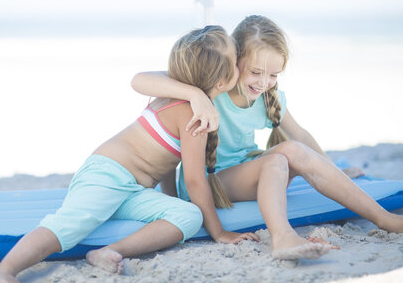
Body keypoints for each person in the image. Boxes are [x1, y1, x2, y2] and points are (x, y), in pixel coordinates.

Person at [0, 25, 259, 283]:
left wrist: (170, 199)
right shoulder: (192, 111)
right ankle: (2, 271)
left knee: (187, 215)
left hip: (133, 191)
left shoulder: (185, 97)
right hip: (107, 174)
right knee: (69, 227)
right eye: (236, 62)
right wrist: (220, 232)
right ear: (222, 83)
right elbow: (196, 181)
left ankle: (108, 251)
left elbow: (166, 163)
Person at [130, 15, 403, 260]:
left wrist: (332, 169)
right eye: (255, 72)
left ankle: (383, 218)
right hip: (209, 183)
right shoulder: (215, 86)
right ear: (234, 62)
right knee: (276, 161)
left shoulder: (269, 99)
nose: (263, 83)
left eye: (273, 74)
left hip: (245, 173)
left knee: (292, 150)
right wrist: (196, 95)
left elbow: (301, 135)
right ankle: (282, 237)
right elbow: (140, 80)